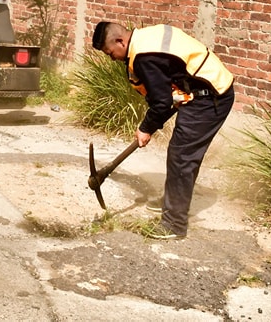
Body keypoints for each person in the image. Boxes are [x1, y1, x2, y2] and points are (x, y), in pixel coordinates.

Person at [92, 21, 235, 240]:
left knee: (181, 156)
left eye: (111, 53)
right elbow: (169, 78)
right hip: (200, 89)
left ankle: (174, 224)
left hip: (210, 97)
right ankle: (173, 203)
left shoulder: (143, 56)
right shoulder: (145, 38)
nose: (113, 58)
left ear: (120, 41)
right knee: (182, 154)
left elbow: (161, 102)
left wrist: (145, 128)